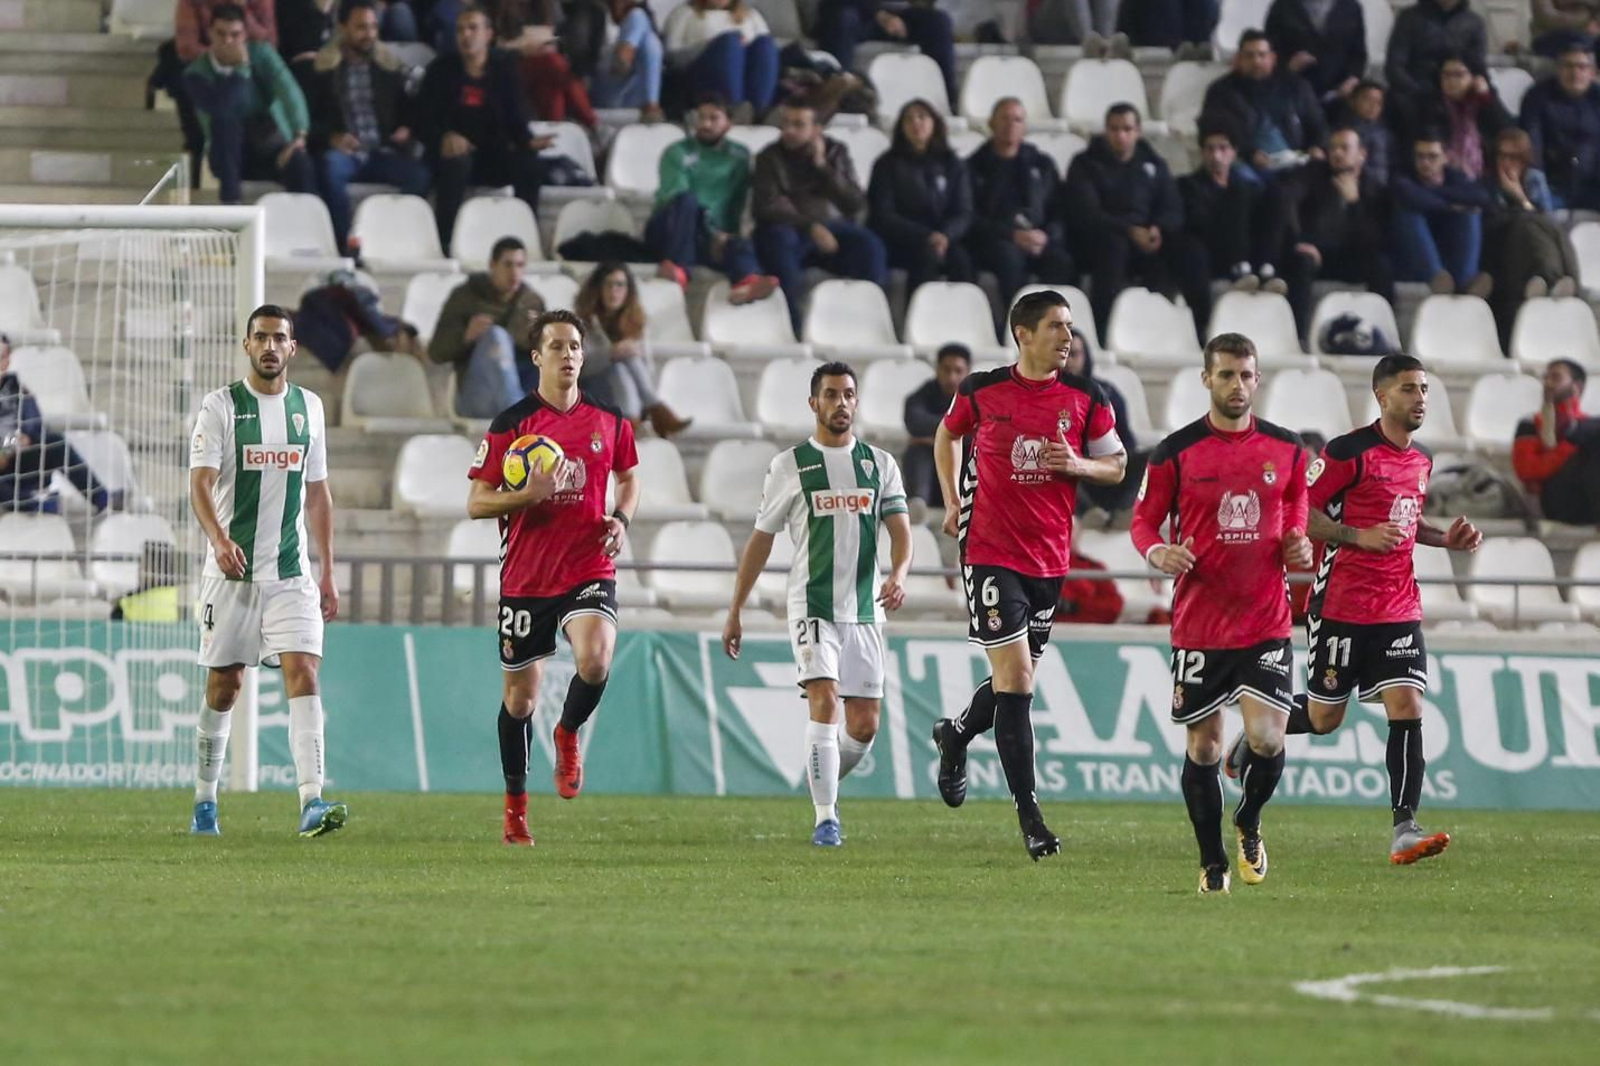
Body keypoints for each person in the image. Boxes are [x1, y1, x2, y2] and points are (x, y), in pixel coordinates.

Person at [1237, 354, 1483, 865]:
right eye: (1410, 389)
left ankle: (1404, 826)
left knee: (1409, 706)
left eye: (1424, 390)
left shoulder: (1422, 459)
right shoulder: (1349, 452)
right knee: (1326, 719)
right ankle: (1260, 728)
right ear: (1382, 396)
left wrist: (1445, 539)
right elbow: (1300, 513)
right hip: (1343, 606)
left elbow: (1407, 524)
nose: (1420, 399)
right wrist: (1357, 537)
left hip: (1398, 606)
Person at [928, 291, 1128, 860]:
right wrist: (950, 501)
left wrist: (1079, 466)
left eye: (1070, 327)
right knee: (1017, 680)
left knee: (1015, 683)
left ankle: (957, 734)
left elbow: (1117, 465)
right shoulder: (982, 390)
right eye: (1057, 327)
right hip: (989, 549)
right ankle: (1031, 817)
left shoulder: (1089, 397)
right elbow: (948, 434)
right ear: (1023, 333)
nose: (1068, 337)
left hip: (1049, 559)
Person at [1131, 332, 1312, 894]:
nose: (1238, 385)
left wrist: (1299, 543)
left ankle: (1249, 820)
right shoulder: (1176, 452)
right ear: (1206, 379)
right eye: (1227, 375)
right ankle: (1213, 864)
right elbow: (1143, 521)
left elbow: (1297, 512)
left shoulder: (1288, 449)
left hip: (1265, 620)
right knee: (1205, 747)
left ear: (1258, 379)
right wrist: (1156, 550)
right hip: (1200, 624)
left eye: (1247, 375)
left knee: (1267, 741)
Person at [466, 309, 640, 846]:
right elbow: (476, 503)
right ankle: (516, 809)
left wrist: (622, 517)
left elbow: (629, 476)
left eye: (575, 347)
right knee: (519, 701)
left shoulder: (610, 420)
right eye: (557, 347)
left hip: (588, 563)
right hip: (527, 576)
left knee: (595, 658)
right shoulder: (512, 425)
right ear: (536, 357)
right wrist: (526, 496)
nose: (568, 355)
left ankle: (567, 733)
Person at [721, 361, 912, 846]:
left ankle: (821, 778)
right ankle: (825, 816)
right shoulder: (790, 465)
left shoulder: (879, 464)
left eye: (848, 394)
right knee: (824, 701)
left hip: (866, 609)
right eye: (831, 394)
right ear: (814, 403)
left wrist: (900, 572)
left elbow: (900, 531)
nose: (841, 403)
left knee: (864, 725)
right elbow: (761, 541)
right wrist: (736, 608)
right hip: (812, 604)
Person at [186, 304, 346, 839]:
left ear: (293, 348)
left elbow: (319, 493)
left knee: (304, 670)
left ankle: (311, 801)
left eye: (280, 338)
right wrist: (220, 539)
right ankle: (206, 802)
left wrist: (327, 571)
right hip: (230, 574)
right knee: (225, 686)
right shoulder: (222, 407)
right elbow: (201, 484)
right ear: (247, 345)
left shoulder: (310, 408)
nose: (271, 346)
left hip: (290, 572)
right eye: (262, 338)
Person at [1066, 103, 1208, 343]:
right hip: (1102, 240)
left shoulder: (1154, 164)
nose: (1121, 135)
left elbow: (1173, 208)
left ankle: (1201, 329)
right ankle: (1101, 333)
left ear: (1138, 132)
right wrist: (1129, 231)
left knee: (1191, 249)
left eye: (1127, 129)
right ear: (1106, 131)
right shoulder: (1084, 164)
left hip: (1146, 241)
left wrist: (1158, 229)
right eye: (1114, 129)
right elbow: (1086, 213)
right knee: (1113, 247)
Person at [416, 5, 554, 250]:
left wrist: (527, 142)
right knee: (456, 162)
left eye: (473, 28)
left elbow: (515, 119)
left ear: (488, 34)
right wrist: (443, 138)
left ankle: (527, 236)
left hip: (493, 156)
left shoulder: (505, 71)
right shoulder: (440, 70)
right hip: (451, 157)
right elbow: (422, 120)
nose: (466, 35)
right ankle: (444, 241)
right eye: (460, 30)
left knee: (529, 163)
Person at [752, 98, 887, 334]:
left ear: (816, 129)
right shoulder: (769, 157)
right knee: (777, 242)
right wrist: (810, 227)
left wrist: (823, 166)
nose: (789, 130)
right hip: (790, 229)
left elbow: (854, 202)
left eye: (798, 124)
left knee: (870, 247)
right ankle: (791, 327)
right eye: (785, 123)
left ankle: (863, 325)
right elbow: (767, 206)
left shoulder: (836, 151)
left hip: (835, 229)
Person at [308, 0, 431, 254]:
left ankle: (387, 237)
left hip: (382, 151)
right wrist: (331, 137)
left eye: (373, 27)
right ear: (343, 28)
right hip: (346, 153)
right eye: (361, 27)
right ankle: (345, 243)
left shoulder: (388, 67)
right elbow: (307, 121)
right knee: (330, 167)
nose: (370, 34)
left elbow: (411, 109)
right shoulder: (323, 69)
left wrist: (406, 127)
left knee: (420, 175)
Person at [646, 94, 776, 302]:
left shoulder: (739, 156)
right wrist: (713, 232)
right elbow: (674, 200)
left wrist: (725, 236)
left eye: (713, 118)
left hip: (708, 239)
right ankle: (678, 269)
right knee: (687, 200)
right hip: (670, 230)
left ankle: (746, 282)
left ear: (729, 123)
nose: (705, 124)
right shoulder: (677, 151)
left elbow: (737, 203)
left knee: (737, 242)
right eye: (701, 117)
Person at [183, 3, 316, 205]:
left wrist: (299, 135)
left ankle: (305, 225)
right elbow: (221, 106)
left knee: (300, 162)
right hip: (226, 154)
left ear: (245, 35)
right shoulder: (195, 74)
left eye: (235, 34)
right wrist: (241, 69)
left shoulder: (261, 54)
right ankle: (232, 207)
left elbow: (288, 89)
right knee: (225, 123)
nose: (228, 41)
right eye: (221, 33)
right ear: (210, 33)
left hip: (267, 143)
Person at [1279, 127, 1396, 338]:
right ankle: (1296, 338)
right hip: (1317, 252)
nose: (1337, 153)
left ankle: (1384, 335)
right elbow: (1287, 199)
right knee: (1301, 261)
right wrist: (1298, 240)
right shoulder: (1314, 173)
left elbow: (1373, 241)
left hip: (1352, 256)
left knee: (1382, 265)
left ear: (1362, 153)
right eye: (1332, 148)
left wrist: (1354, 203)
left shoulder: (1374, 187)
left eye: (1344, 148)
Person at [965, 98, 1072, 323]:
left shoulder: (1042, 164)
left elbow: (1059, 210)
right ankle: (1018, 325)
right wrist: (1011, 235)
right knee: (1009, 258)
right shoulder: (973, 166)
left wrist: (1046, 236)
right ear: (991, 123)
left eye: (1017, 119)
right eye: (1004, 118)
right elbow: (970, 217)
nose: (1011, 124)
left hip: (1037, 240)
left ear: (1024, 126)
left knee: (1061, 260)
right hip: (994, 242)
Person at [428, 236, 546, 418]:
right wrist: (466, 337)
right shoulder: (466, 296)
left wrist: (535, 338)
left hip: (520, 389)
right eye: (508, 265)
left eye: (520, 265)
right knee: (496, 337)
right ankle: (520, 418)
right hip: (476, 395)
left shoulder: (531, 301)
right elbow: (436, 353)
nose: (514, 272)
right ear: (492, 265)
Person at [1483, 127, 1580, 345]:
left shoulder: (1534, 179)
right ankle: (1552, 281)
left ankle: (1543, 281)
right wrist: (1522, 205)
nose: (1507, 162)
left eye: (1514, 157)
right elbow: (1491, 218)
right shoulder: (1488, 183)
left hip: (1533, 244)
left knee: (1538, 226)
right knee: (1525, 223)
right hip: (1502, 246)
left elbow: (1548, 222)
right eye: (1503, 156)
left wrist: (1521, 198)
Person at [571, 262, 692, 437]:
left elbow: (648, 370)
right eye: (608, 284)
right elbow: (578, 368)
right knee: (619, 363)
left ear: (628, 290)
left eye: (620, 285)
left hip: (631, 392)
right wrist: (611, 353)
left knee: (624, 362)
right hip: (591, 390)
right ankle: (656, 412)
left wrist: (623, 354)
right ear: (598, 288)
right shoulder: (580, 323)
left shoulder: (637, 321)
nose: (614, 291)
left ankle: (631, 421)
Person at [869, 99, 976, 289]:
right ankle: (915, 315)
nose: (916, 123)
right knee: (926, 257)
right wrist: (926, 236)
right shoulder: (886, 165)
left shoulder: (953, 164)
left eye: (922, 117)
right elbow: (884, 215)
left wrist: (945, 235)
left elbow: (964, 211)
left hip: (945, 239)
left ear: (934, 123)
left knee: (963, 260)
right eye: (909, 119)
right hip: (902, 240)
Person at [0, 334, 113, 513]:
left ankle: (103, 499)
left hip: (15, 460)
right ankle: (37, 505)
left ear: (8, 360)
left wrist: (9, 447)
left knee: (55, 444)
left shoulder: (18, 389)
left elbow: (34, 430)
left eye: (1, 357)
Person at [1178, 115, 1289, 293]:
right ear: (1202, 152)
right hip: (1213, 252)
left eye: (1223, 148)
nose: (1216, 156)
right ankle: (1240, 269)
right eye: (1210, 149)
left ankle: (1266, 269)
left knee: (1276, 193)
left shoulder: (1249, 187)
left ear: (1234, 152)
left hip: (1250, 251)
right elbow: (1197, 225)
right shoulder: (1188, 185)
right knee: (1239, 194)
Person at [1200, 30, 1328, 179]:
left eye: (1262, 55)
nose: (1256, 61)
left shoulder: (1296, 86)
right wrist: (1249, 153)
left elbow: (1318, 124)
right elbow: (1211, 131)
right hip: (1245, 163)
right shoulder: (1220, 91)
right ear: (1239, 59)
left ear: (1273, 58)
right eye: (1249, 55)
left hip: (1296, 161)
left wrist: (1317, 146)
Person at [1391, 133, 1494, 295]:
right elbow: (1410, 196)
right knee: (1409, 214)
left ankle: (1466, 282)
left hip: (1448, 254)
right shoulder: (1403, 176)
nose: (1425, 163)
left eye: (1432, 157)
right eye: (1420, 157)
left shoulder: (1454, 177)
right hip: (1414, 258)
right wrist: (1451, 206)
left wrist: (1434, 193)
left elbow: (1481, 197)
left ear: (1445, 157)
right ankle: (1436, 277)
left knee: (1470, 213)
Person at [815, 1, 958, 110]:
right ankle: (839, 94)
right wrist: (880, 14)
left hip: (895, 13)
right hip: (850, 10)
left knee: (938, 21)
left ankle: (947, 101)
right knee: (842, 18)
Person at [1514, 358, 1600, 525]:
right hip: (1554, 501)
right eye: (1546, 377)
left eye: (1556, 377)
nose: (1547, 383)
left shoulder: (1590, 427)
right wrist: (1569, 446)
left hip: (1587, 501)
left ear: (1577, 386)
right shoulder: (1530, 423)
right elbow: (1527, 471)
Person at [663, 0, 779, 120]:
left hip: (744, 75)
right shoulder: (684, 13)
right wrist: (712, 44)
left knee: (765, 44)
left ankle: (759, 110)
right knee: (730, 43)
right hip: (699, 75)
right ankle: (733, 108)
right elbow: (672, 57)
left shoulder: (751, 15)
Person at [1520, 43, 1600, 211]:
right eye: (1568, 66)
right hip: (1552, 185)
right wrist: (1535, 171)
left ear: (1592, 72)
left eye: (1582, 67)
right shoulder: (1537, 96)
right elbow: (1532, 137)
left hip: (1592, 185)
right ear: (1558, 69)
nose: (1575, 73)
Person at [1409, 53, 1512, 182]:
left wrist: (1486, 97)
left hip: (1483, 174)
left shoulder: (1484, 100)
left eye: (1458, 75)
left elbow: (1508, 131)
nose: (1451, 81)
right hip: (1440, 175)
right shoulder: (1431, 104)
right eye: (1446, 75)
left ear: (1474, 77)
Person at [901, 342, 970, 508]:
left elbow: (982, 432)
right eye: (946, 370)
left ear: (968, 372)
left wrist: (940, 440)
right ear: (937, 370)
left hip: (963, 472)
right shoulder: (922, 395)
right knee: (917, 451)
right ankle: (919, 504)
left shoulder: (978, 397)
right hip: (932, 478)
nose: (952, 377)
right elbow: (915, 422)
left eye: (958, 371)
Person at [1384, 0, 1488, 107]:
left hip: (1459, 101)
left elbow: (1478, 68)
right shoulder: (1409, 18)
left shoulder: (1474, 23)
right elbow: (1395, 66)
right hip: (1414, 98)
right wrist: (1421, 94)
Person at [1264, 0, 1369, 106]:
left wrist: (1353, 78)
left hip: (1339, 95)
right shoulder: (1283, 6)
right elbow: (1269, 50)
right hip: (1293, 93)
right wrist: (1288, 66)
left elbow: (1358, 52)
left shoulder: (1351, 7)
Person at [588, 0, 664, 116]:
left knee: (651, 41)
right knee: (640, 19)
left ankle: (626, 51)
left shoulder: (640, 14)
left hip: (628, 90)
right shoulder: (594, 9)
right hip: (604, 81)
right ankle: (652, 104)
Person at [1344, 80, 1394, 187]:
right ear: (1352, 101)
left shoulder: (1387, 134)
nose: (1373, 106)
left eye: (1378, 102)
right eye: (1367, 100)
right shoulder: (1343, 131)